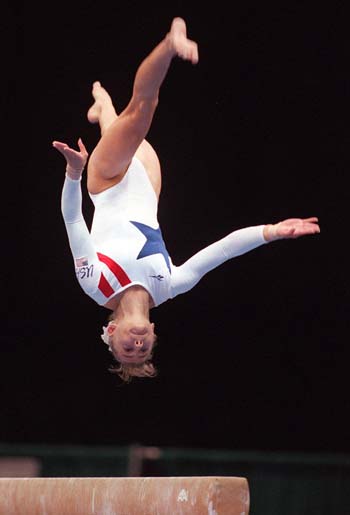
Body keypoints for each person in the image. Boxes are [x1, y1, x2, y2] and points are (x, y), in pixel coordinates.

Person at [53, 17, 320, 383]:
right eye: (144, 350)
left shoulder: (94, 284)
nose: (137, 346)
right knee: (125, 126)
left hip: (107, 182)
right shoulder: (169, 285)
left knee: (141, 113)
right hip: (148, 183)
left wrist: (74, 173)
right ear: (153, 335)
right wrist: (271, 231)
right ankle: (103, 108)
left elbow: (73, 222)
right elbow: (223, 250)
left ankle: (169, 43)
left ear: (111, 333)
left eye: (127, 350)